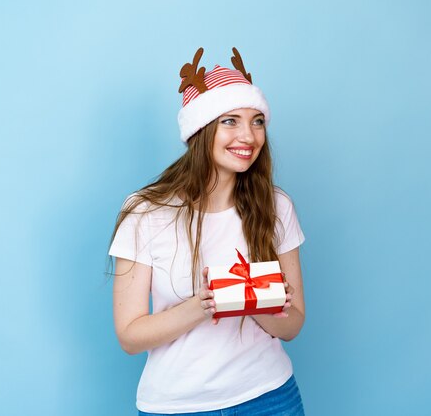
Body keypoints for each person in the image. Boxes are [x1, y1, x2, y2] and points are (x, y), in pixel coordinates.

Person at [108, 47, 306, 415]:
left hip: (270, 397)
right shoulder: (146, 212)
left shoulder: (277, 206)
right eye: (230, 120)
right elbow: (130, 336)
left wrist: (258, 301)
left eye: (257, 120)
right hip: (176, 406)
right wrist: (203, 305)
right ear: (201, 128)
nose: (248, 135)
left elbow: (292, 326)